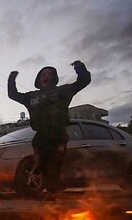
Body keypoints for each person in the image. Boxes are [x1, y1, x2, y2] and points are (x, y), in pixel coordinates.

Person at [8, 60, 91, 199]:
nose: (46, 76)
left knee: (55, 162)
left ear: (54, 78)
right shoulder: (32, 97)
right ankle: (50, 186)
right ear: (39, 78)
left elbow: (83, 81)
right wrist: (12, 78)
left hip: (58, 135)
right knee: (40, 164)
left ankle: (53, 191)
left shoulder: (62, 92)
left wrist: (79, 67)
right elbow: (13, 95)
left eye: (50, 74)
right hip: (40, 137)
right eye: (44, 74)